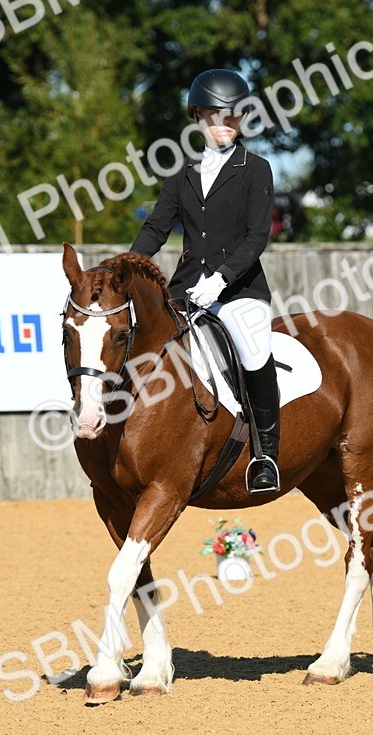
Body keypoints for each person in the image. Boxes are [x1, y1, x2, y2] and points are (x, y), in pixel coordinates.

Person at [129, 68, 280, 494]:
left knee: (254, 351)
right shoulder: (182, 173)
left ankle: (266, 456)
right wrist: (126, 267)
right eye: (215, 116)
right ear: (197, 116)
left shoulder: (256, 170)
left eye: (232, 117)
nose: (223, 126)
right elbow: (157, 228)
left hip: (239, 290)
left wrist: (223, 278)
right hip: (186, 290)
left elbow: (257, 237)